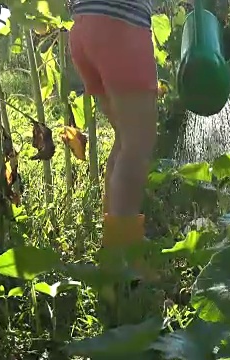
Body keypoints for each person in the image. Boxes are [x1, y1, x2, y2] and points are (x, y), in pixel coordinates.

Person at [68, 0, 159, 282]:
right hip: (120, 24)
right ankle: (126, 261)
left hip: (85, 25)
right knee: (137, 144)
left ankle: (112, 248)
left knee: (125, 139)